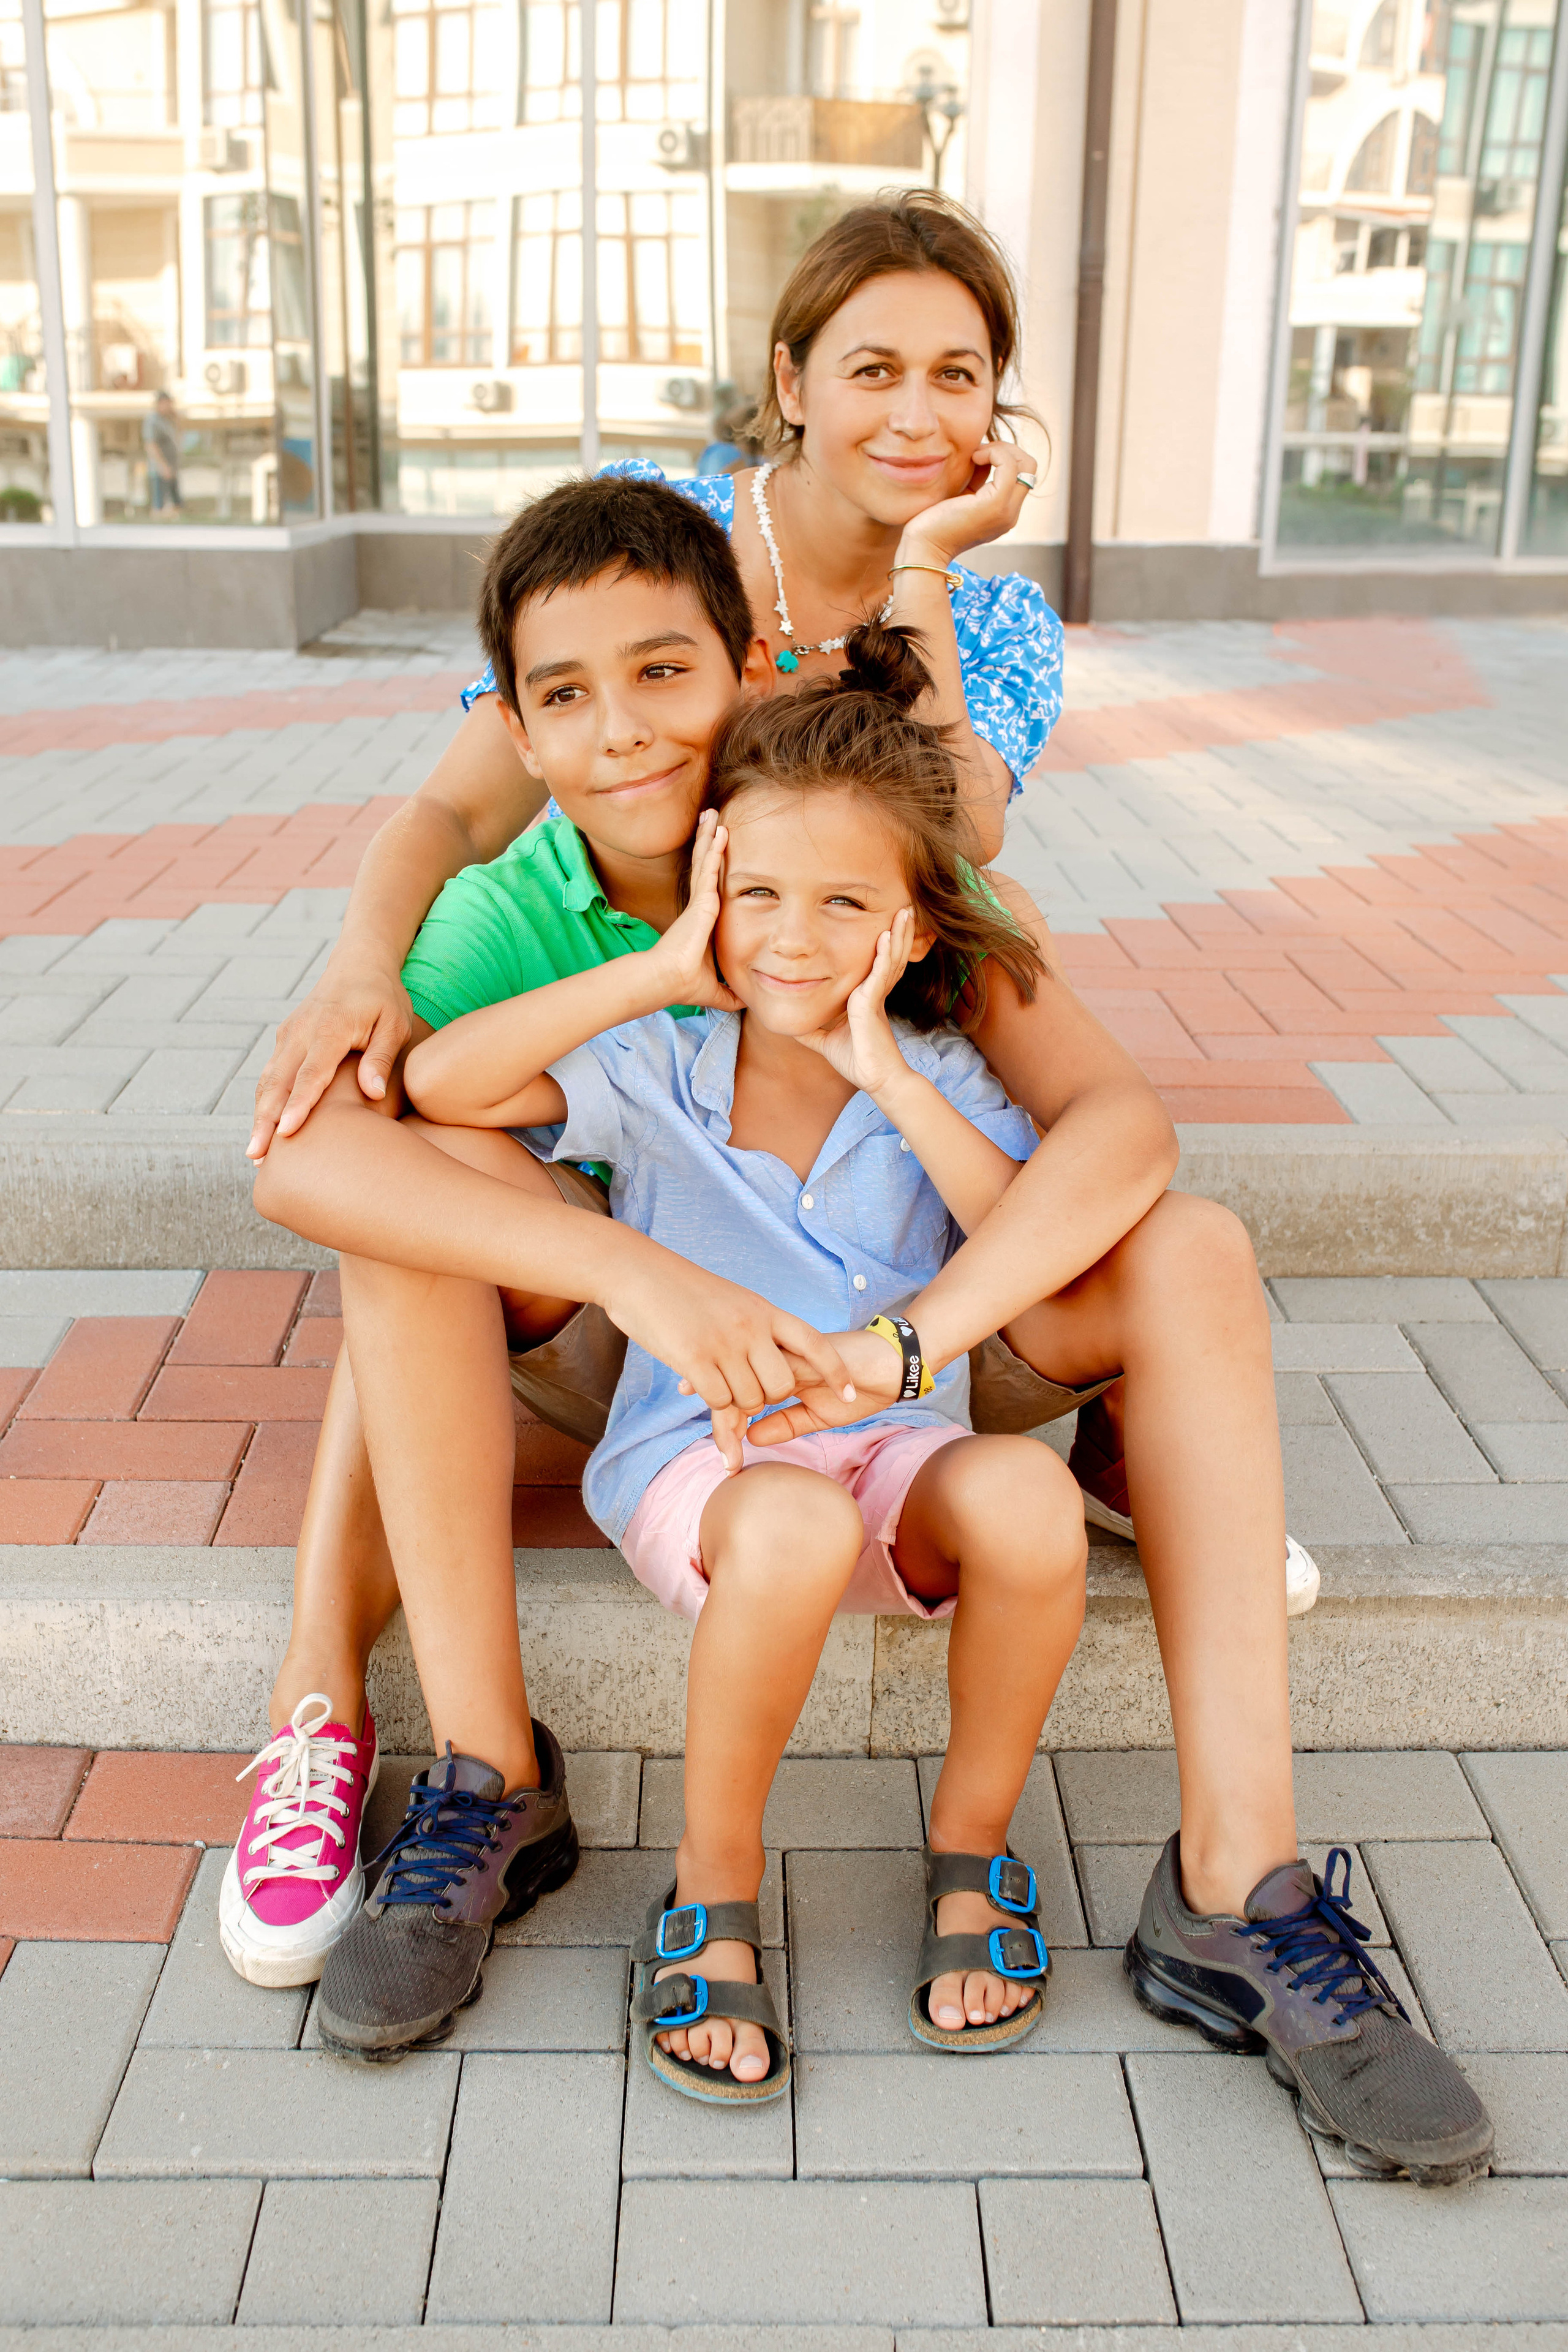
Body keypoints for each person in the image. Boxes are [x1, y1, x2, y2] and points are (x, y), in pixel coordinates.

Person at [246, 473, 1494, 2182]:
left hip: (903, 1342)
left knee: (1190, 1248)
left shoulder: (882, 869)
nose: (623, 733)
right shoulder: (535, 925)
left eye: (668, 677)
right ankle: (483, 1768)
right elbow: (335, 1148)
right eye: (566, 697)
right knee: (408, 1198)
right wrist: (627, 1258)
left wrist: (920, 1343)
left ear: (750, 672)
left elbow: (1124, 1137)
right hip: (652, 1353)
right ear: (520, 729)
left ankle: (1236, 1880)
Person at [397, 630, 1087, 2095]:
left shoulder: (941, 1078)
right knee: (789, 1518)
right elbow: (438, 1083)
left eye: (843, 902)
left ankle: (969, 1846)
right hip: (704, 1466)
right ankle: (709, 1886)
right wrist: (654, 966)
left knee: (1027, 1498)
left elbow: (1034, 1240)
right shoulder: (656, 1065)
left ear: (908, 925)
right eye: (755, 891)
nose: (790, 935)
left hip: (892, 1453)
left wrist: (888, 1072)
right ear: (709, 888)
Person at [143, 391, 182, 517]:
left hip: (171, 466)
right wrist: (162, 466)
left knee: (175, 504)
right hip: (160, 468)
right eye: (168, 403)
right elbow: (151, 445)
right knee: (159, 506)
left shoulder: (167, 420)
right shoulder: (153, 421)